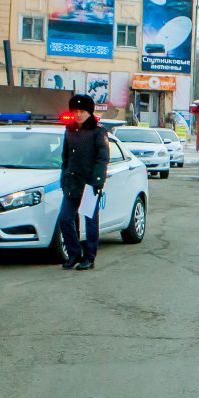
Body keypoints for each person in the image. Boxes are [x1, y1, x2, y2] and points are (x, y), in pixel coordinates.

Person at [56, 94, 109, 271]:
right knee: (64, 219)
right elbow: (65, 157)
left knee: (90, 221)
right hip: (72, 183)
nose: (78, 115)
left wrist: (97, 181)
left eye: (82, 112)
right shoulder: (69, 130)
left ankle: (89, 257)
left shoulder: (98, 131)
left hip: (89, 184)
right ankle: (74, 254)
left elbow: (102, 158)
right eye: (76, 111)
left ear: (89, 113)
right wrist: (64, 175)